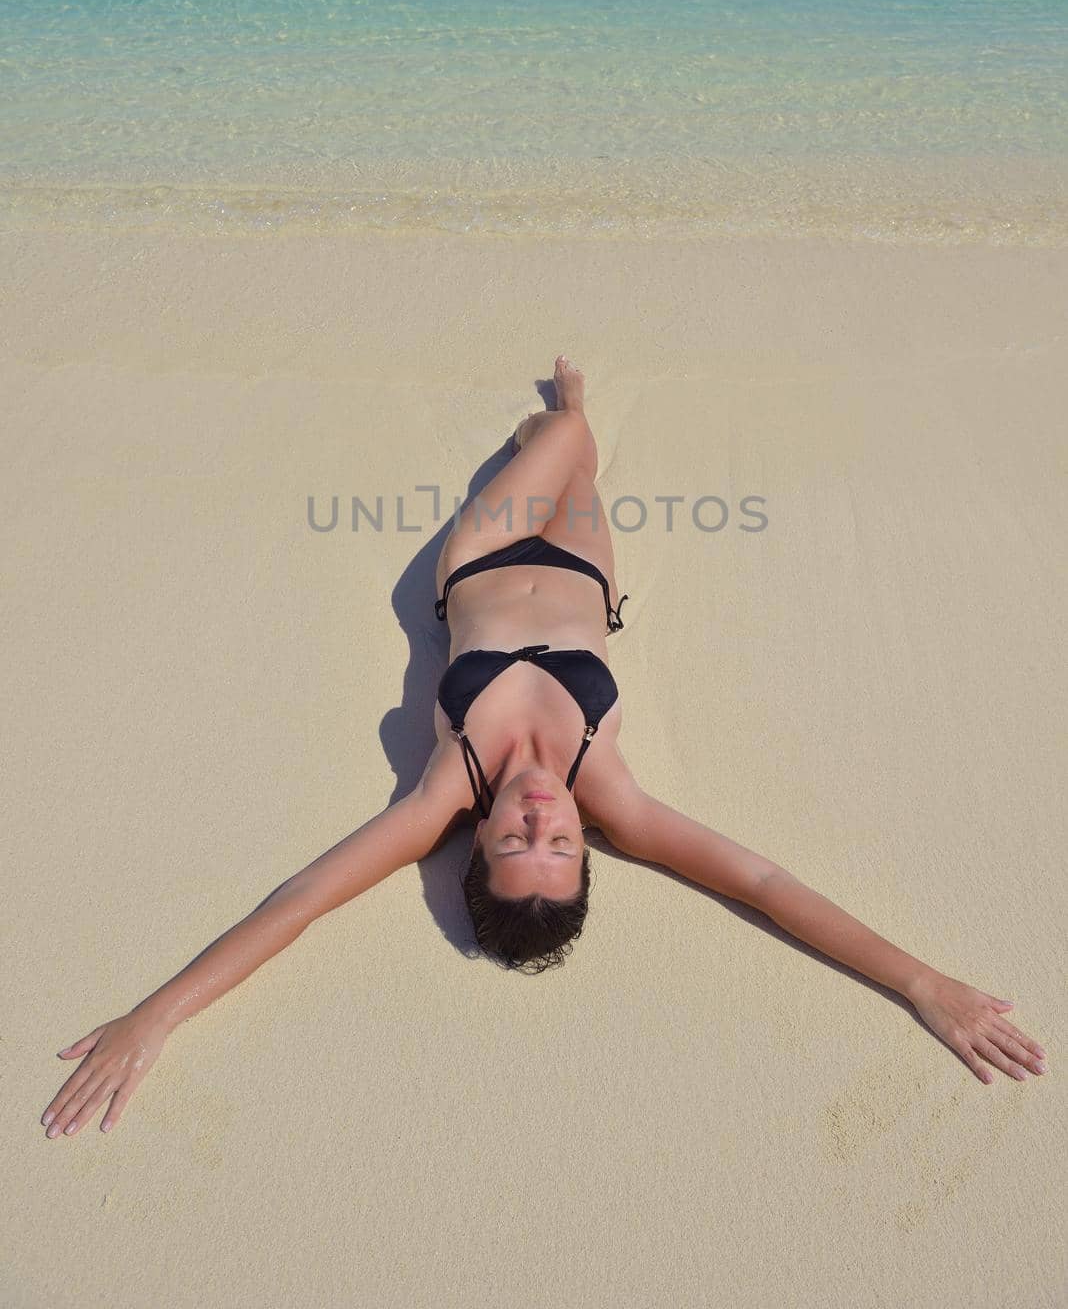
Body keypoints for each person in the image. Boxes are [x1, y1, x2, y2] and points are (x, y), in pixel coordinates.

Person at [40, 356, 1046, 1140]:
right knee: (581, 447)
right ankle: (563, 416)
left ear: (473, 850)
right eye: (561, 849)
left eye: (518, 844)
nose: (539, 820)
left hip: (478, 556)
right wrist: (923, 983)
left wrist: (157, 1016)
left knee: (566, 433)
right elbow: (766, 881)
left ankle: (554, 416)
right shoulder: (609, 789)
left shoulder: (443, 790)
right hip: (579, 572)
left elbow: (297, 902)